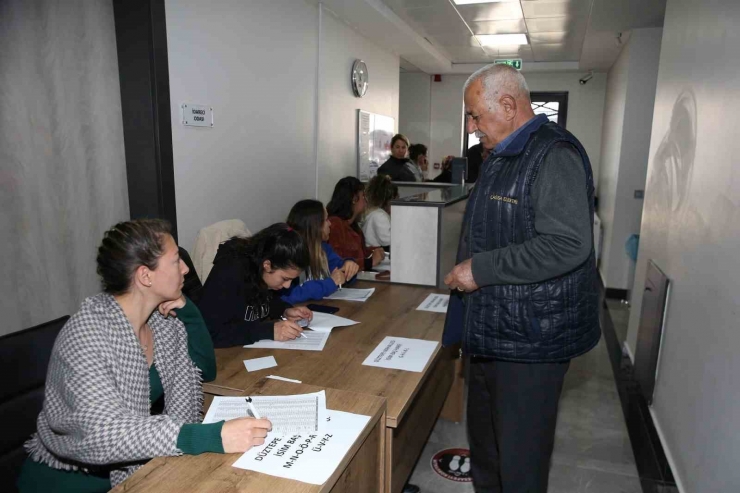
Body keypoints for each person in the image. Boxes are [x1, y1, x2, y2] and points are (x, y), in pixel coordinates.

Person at [17, 219, 272, 493]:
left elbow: (193, 390)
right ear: (145, 276)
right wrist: (211, 436)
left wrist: (188, 311)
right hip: (73, 479)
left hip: (145, 466)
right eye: (176, 261)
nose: (186, 268)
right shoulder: (86, 334)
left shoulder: (163, 324)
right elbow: (102, 435)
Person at [443, 64, 600, 493]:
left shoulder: (553, 155)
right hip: (497, 330)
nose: (472, 128)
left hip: (532, 341)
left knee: (520, 462)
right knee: (489, 451)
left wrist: (480, 269)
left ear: (509, 106)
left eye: (475, 116)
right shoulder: (504, 152)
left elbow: (568, 245)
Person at [197, 223, 313, 348]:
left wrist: (284, 310)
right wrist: (268, 331)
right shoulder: (229, 273)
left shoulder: (260, 272)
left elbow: (262, 303)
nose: (287, 286)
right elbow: (208, 334)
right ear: (267, 265)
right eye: (285, 279)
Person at [281, 199, 360, 304]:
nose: (330, 223)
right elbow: (287, 295)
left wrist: (349, 266)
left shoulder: (323, 249)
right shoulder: (289, 254)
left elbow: (339, 269)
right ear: (315, 226)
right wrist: (329, 283)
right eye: (326, 220)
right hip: (294, 314)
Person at [326, 177, 385, 270]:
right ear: (354, 198)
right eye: (363, 196)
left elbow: (360, 252)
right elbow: (337, 262)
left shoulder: (353, 225)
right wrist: (369, 262)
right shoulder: (334, 225)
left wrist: (374, 251)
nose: (366, 201)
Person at [362, 174, 398, 249]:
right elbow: (389, 241)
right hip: (378, 256)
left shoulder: (375, 213)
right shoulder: (379, 216)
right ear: (389, 199)